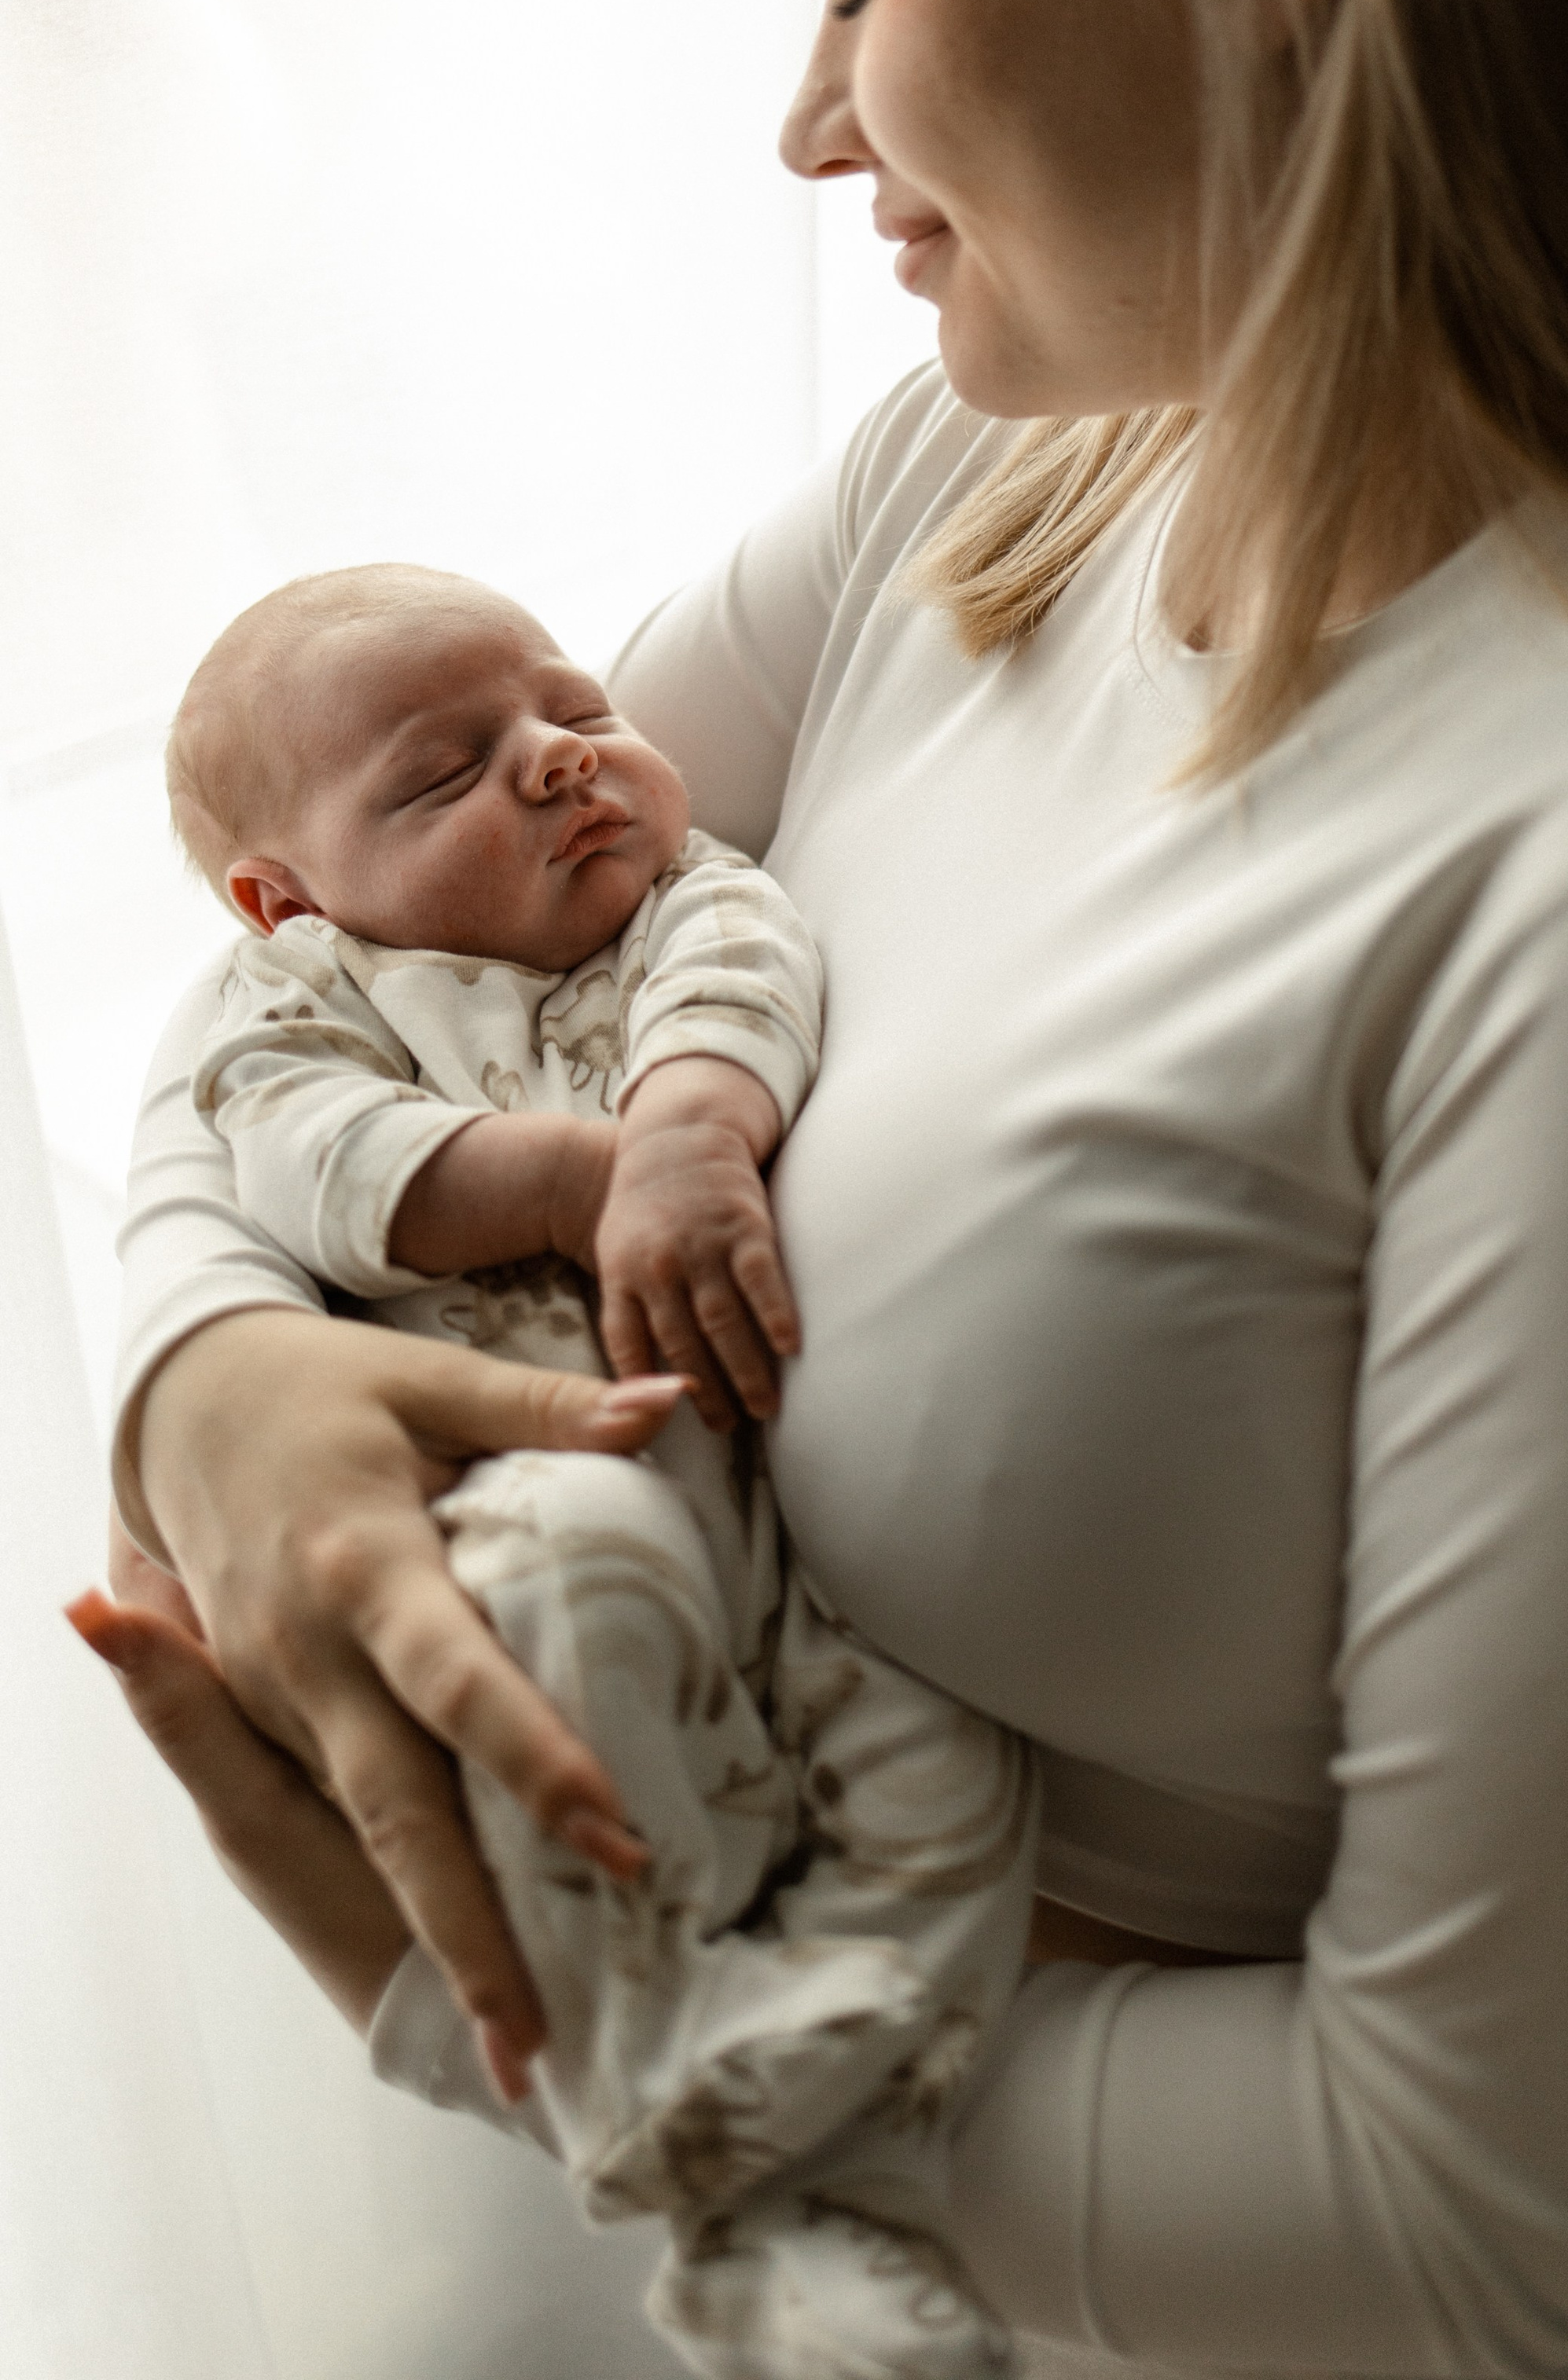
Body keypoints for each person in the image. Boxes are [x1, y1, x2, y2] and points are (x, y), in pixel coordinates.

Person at [72, 0, 1568, 2371]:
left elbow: (1458, 2209)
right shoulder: (991, 498)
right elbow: (345, 991)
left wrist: (571, 2023)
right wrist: (211, 1377)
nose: (808, 125)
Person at [145, 559, 1033, 2380]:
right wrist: (565, 1178)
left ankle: (820, 2109)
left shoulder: (682, 901)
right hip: (529, 1494)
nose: (556, 759)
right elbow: (305, 1161)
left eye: (572, 709)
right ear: (282, 895)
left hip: (795, 1568)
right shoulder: (302, 995)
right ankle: (717, 2185)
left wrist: (693, 1122)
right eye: (442, 772)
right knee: (578, 1620)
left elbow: (741, 984)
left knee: (949, 1781)